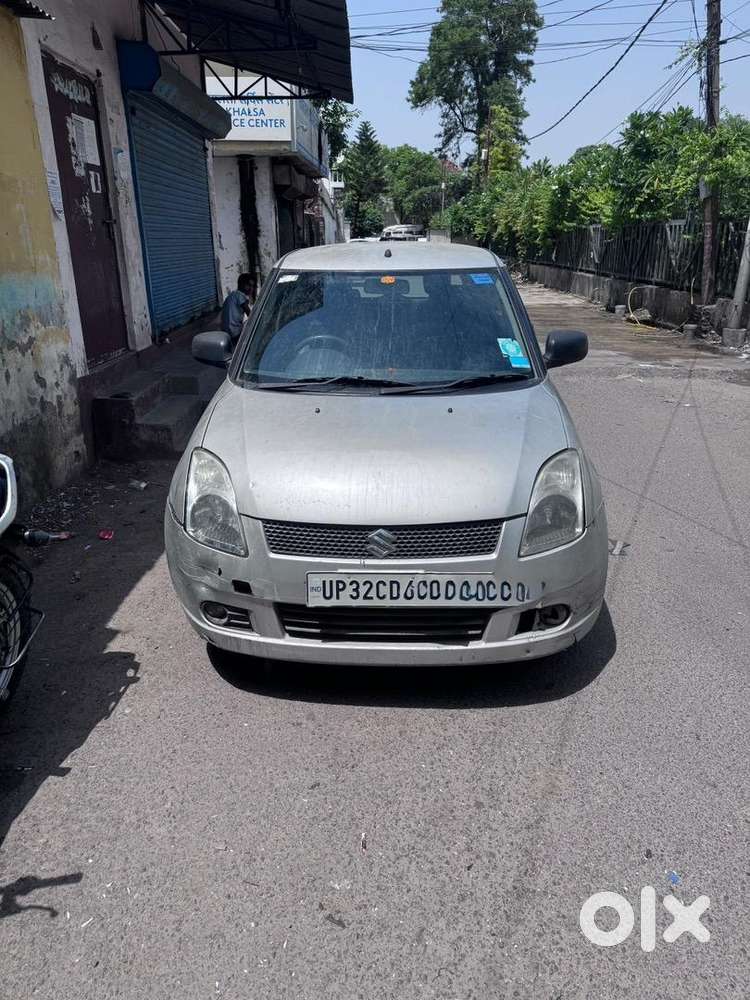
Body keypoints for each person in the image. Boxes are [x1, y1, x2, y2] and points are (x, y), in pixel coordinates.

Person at [220, 273, 253, 343]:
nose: (251, 289)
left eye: (252, 286)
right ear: (241, 285)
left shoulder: (232, 295)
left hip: (225, 332)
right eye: (248, 285)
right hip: (234, 332)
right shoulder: (240, 296)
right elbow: (250, 315)